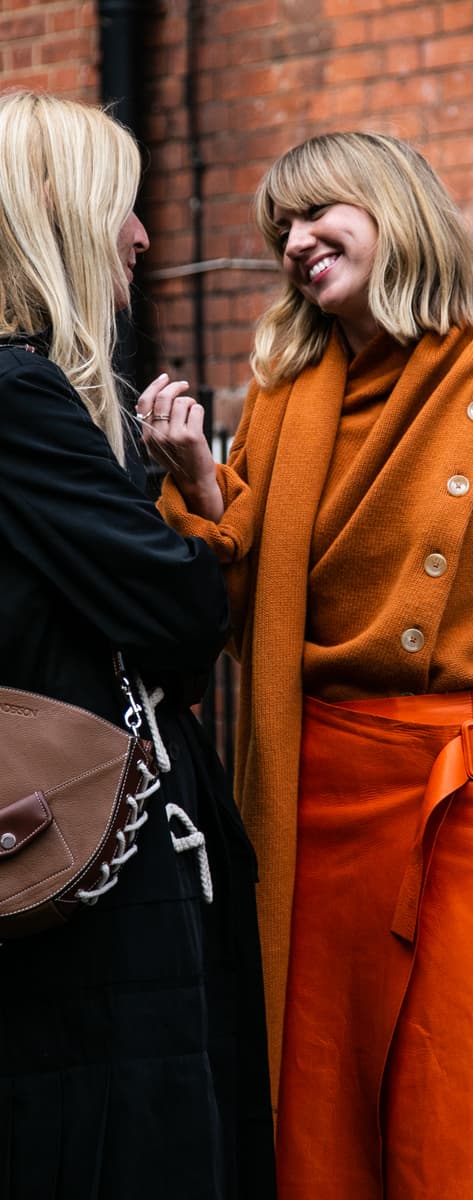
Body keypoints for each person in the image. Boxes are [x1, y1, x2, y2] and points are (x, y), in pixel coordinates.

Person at [149, 131, 473, 1199]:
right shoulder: (284, 395)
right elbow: (234, 610)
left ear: (392, 207)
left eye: (317, 213)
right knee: (318, 1118)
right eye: (280, 231)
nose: (295, 242)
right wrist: (203, 486)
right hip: (317, 797)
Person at [0, 91, 275, 1199]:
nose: (146, 236)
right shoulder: (20, 393)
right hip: (91, 872)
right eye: (126, 205)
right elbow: (179, 617)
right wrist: (195, 495)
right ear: (60, 215)